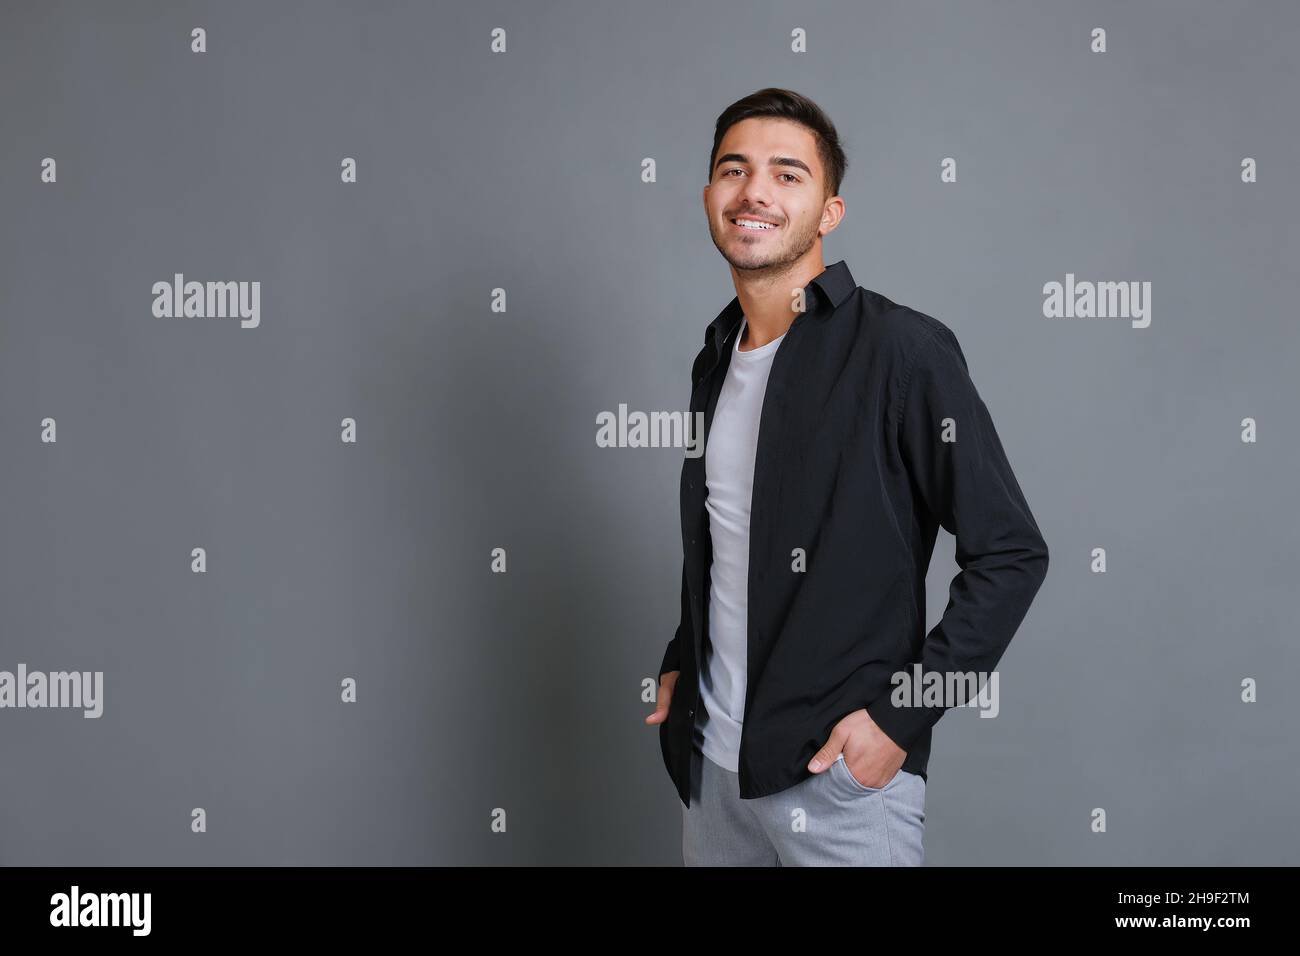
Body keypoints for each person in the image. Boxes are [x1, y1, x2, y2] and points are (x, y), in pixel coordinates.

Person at [644, 88, 1049, 866]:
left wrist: (900, 720)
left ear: (829, 212)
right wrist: (682, 656)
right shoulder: (715, 359)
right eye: (736, 169)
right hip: (714, 781)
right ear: (709, 197)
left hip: (837, 785)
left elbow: (1011, 554)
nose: (756, 190)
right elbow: (735, 543)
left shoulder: (904, 353)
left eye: (787, 175)